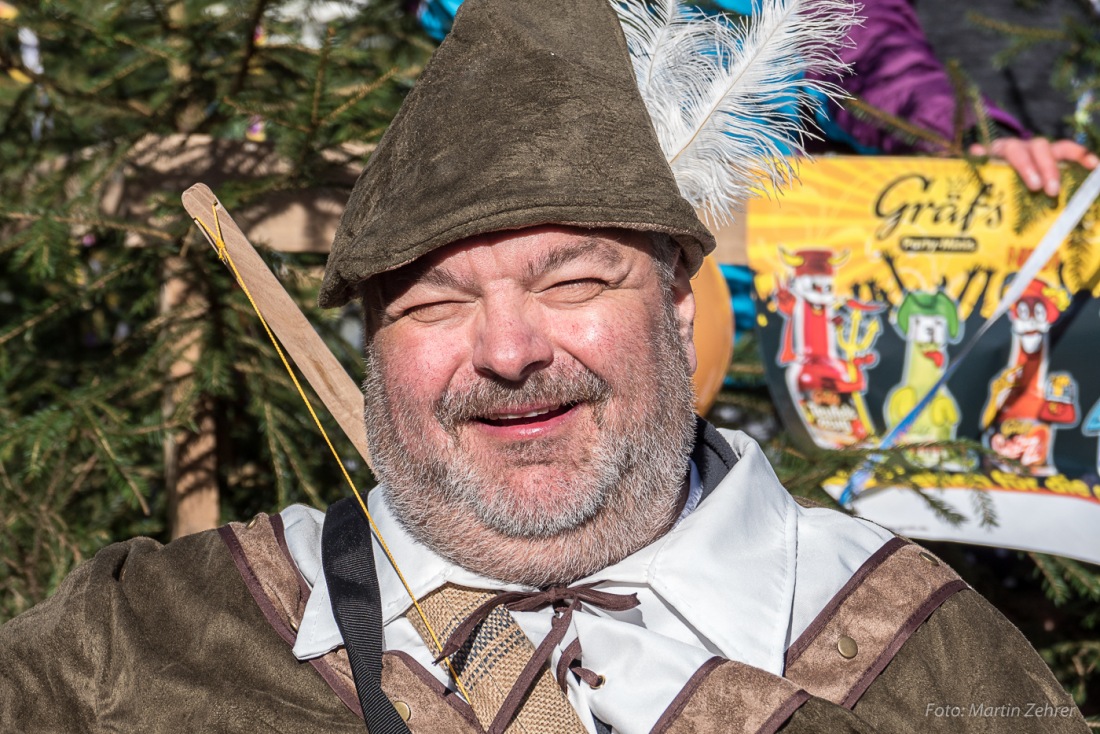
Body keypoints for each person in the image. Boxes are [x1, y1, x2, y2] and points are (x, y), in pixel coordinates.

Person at [0, 0, 1089, 732]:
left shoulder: (928, 659)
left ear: (675, 299)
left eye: (572, 282)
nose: (509, 349)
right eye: (432, 298)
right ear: (371, 343)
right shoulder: (139, 636)